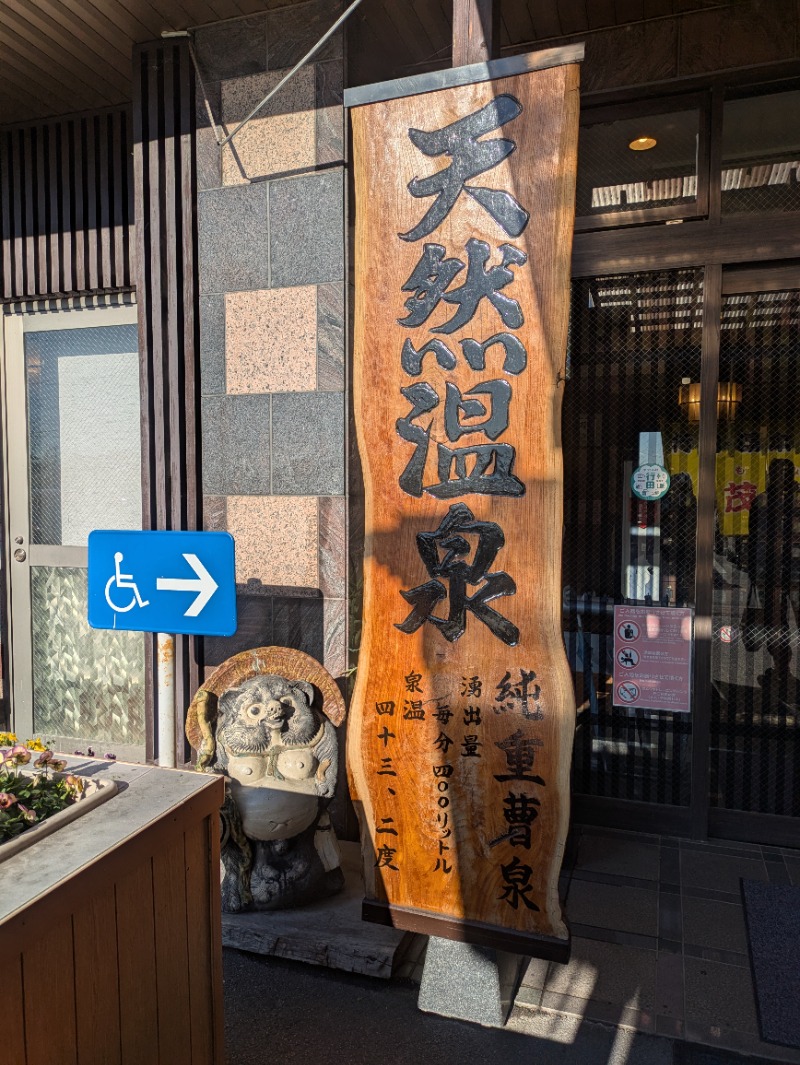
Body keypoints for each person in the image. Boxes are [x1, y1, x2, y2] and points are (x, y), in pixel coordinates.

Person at [747, 458, 800, 682]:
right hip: (780, 571)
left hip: (773, 571)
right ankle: (781, 669)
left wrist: (753, 571)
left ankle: (781, 669)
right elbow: (754, 539)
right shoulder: (763, 501)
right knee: (776, 622)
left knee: (776, 621)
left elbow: (754, 539)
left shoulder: (762, 501)